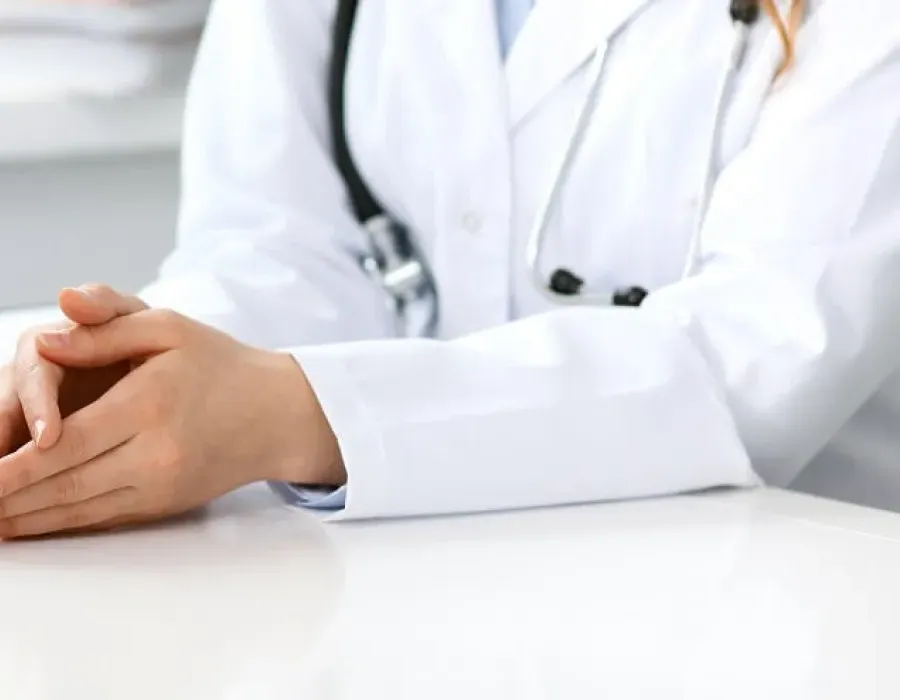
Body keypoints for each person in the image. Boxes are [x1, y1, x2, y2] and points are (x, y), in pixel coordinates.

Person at [0, 0, 898, 538]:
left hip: (782, 597)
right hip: (423, 583)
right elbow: (278, 239)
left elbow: (754, 364)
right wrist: (140, 376)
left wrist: (296, 410)